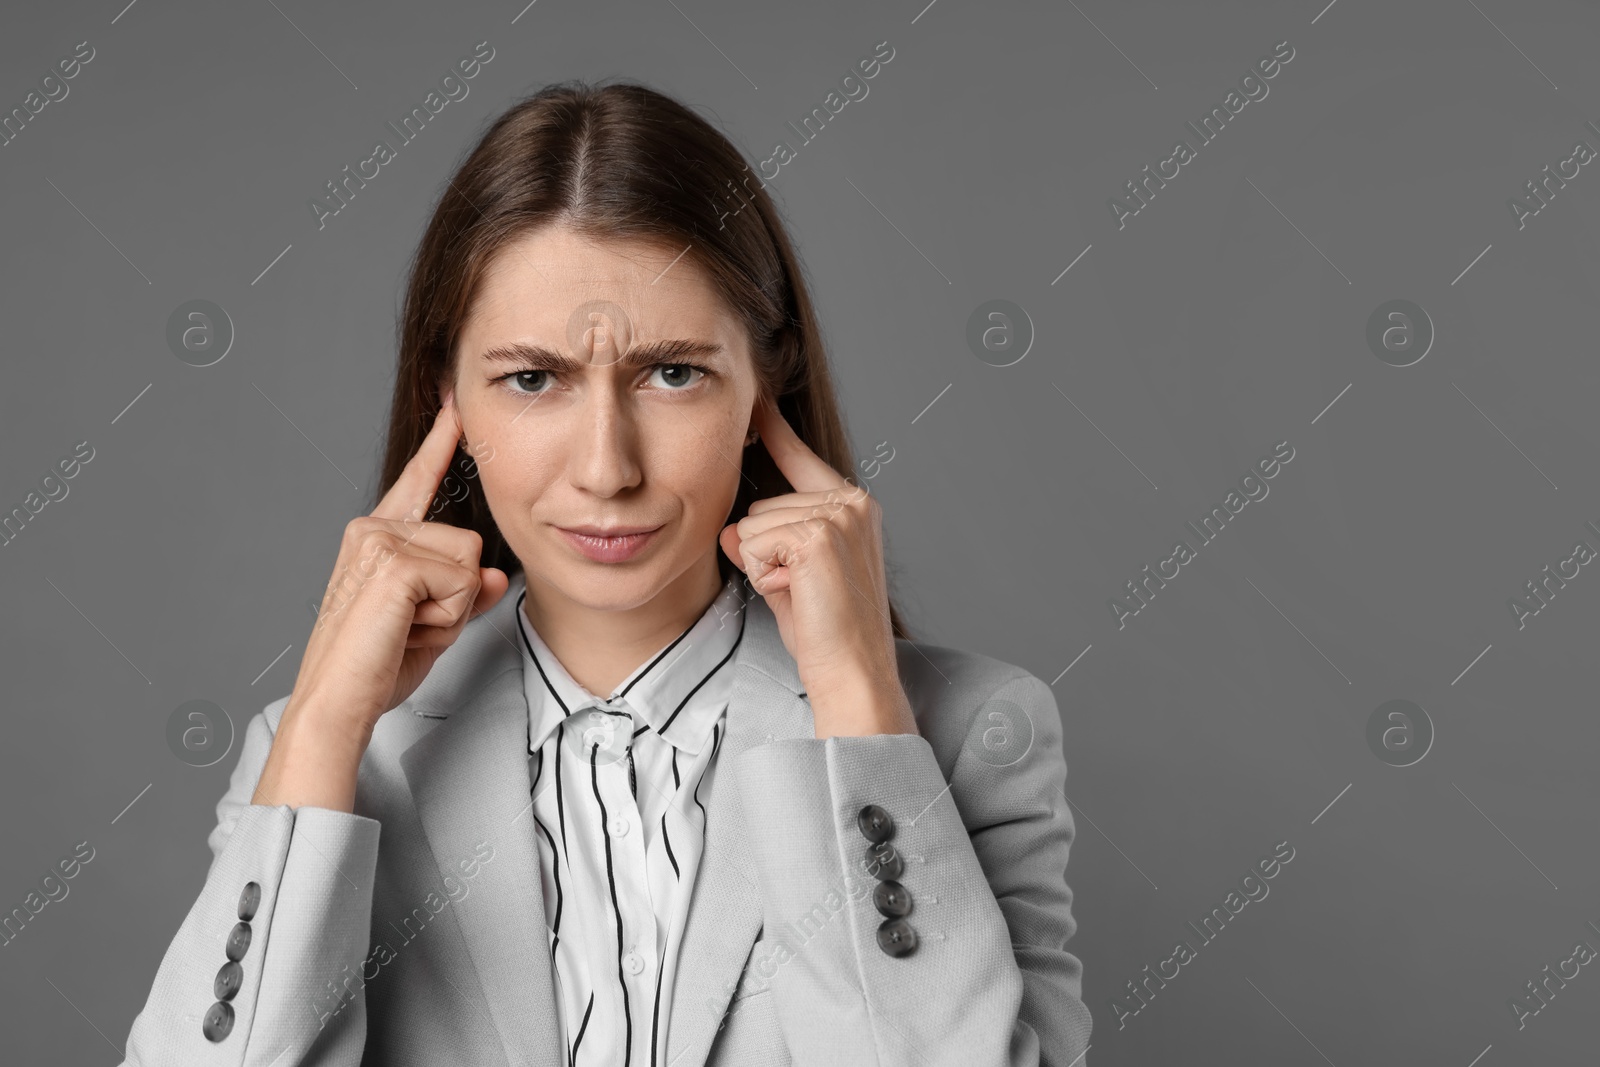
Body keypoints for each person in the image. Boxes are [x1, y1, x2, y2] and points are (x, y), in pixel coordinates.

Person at [118, 79, 1092, 1066]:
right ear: (443, 394)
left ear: (770, 377)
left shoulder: (973, 734)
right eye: (531, 379)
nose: (605, 468)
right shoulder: (320, 751)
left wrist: (854, 710)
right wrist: (325, 721)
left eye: (672, 372)